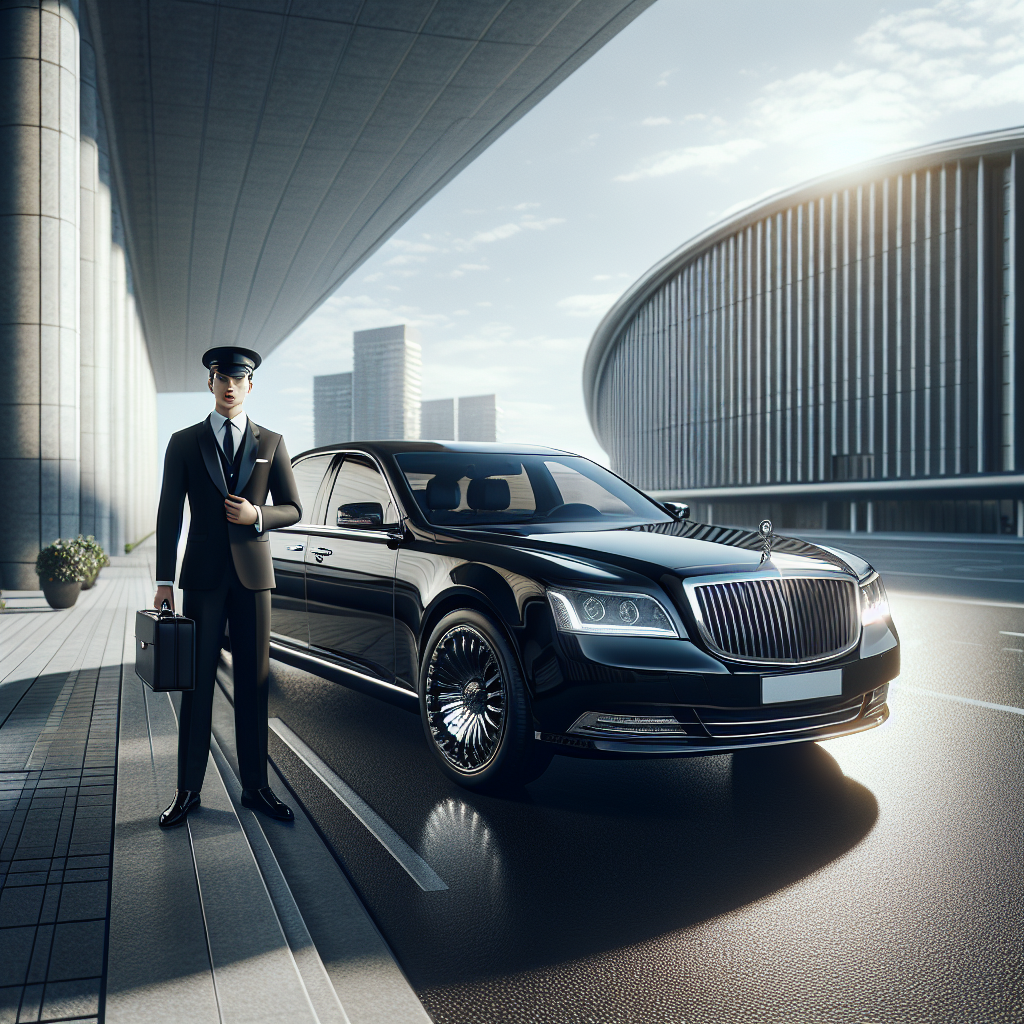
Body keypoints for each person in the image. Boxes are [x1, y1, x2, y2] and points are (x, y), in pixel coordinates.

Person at [153, 346, 302, 827]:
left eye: (239, 378)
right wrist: (163, 581)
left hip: (254, 580)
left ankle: (256, 788)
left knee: (254, 685)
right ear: (211, 383)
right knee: (196, 687)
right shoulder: (184, 441)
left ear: (251, 385)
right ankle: (188, 790)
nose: (230, 385)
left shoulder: (272, 442)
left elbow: (293, 508)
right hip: (201, 578)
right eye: (222, 377)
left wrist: (257, 515)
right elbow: (169, 516)